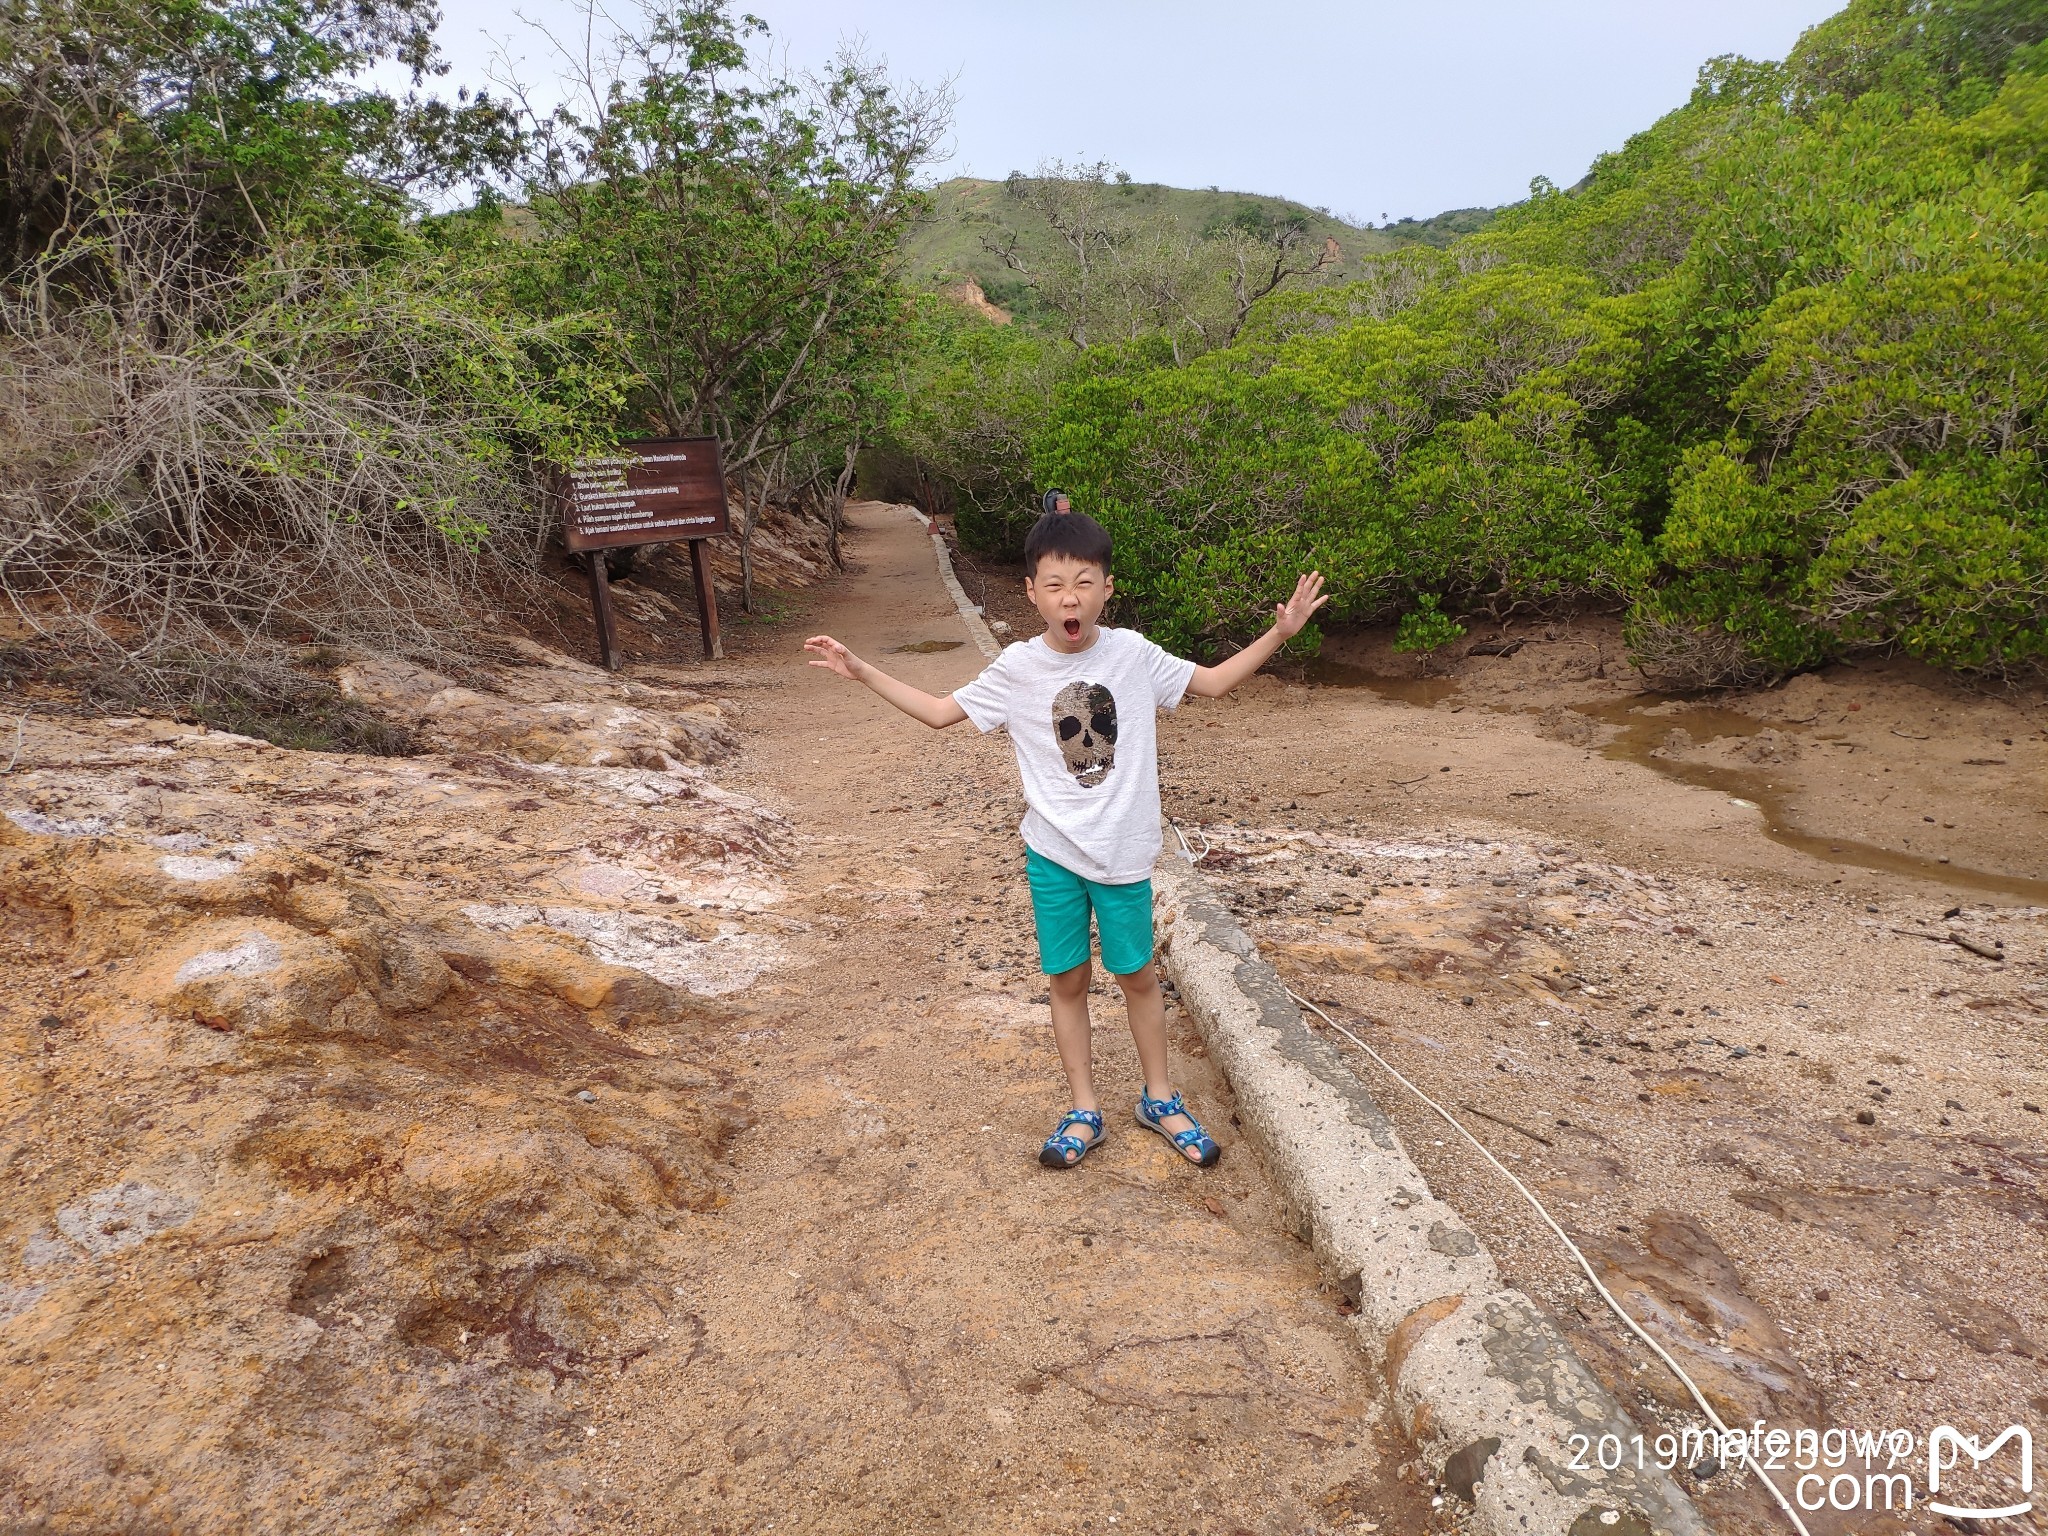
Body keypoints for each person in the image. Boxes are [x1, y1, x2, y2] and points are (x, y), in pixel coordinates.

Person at [803, 498, 1327, 1170]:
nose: (1069, 598)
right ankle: (1084, 1108)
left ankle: (1159, 1099)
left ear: (1107, 587)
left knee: (1137, 975)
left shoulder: (1133, 654)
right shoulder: (1018, 668)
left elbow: (1215, 683)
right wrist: (861, 670)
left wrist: (1280, 634)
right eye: (1053, 585)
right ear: (1031, 593)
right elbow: (939, 713)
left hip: (1124, 853)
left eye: (1083, 583)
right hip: (1052, 853)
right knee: (1068, 980)